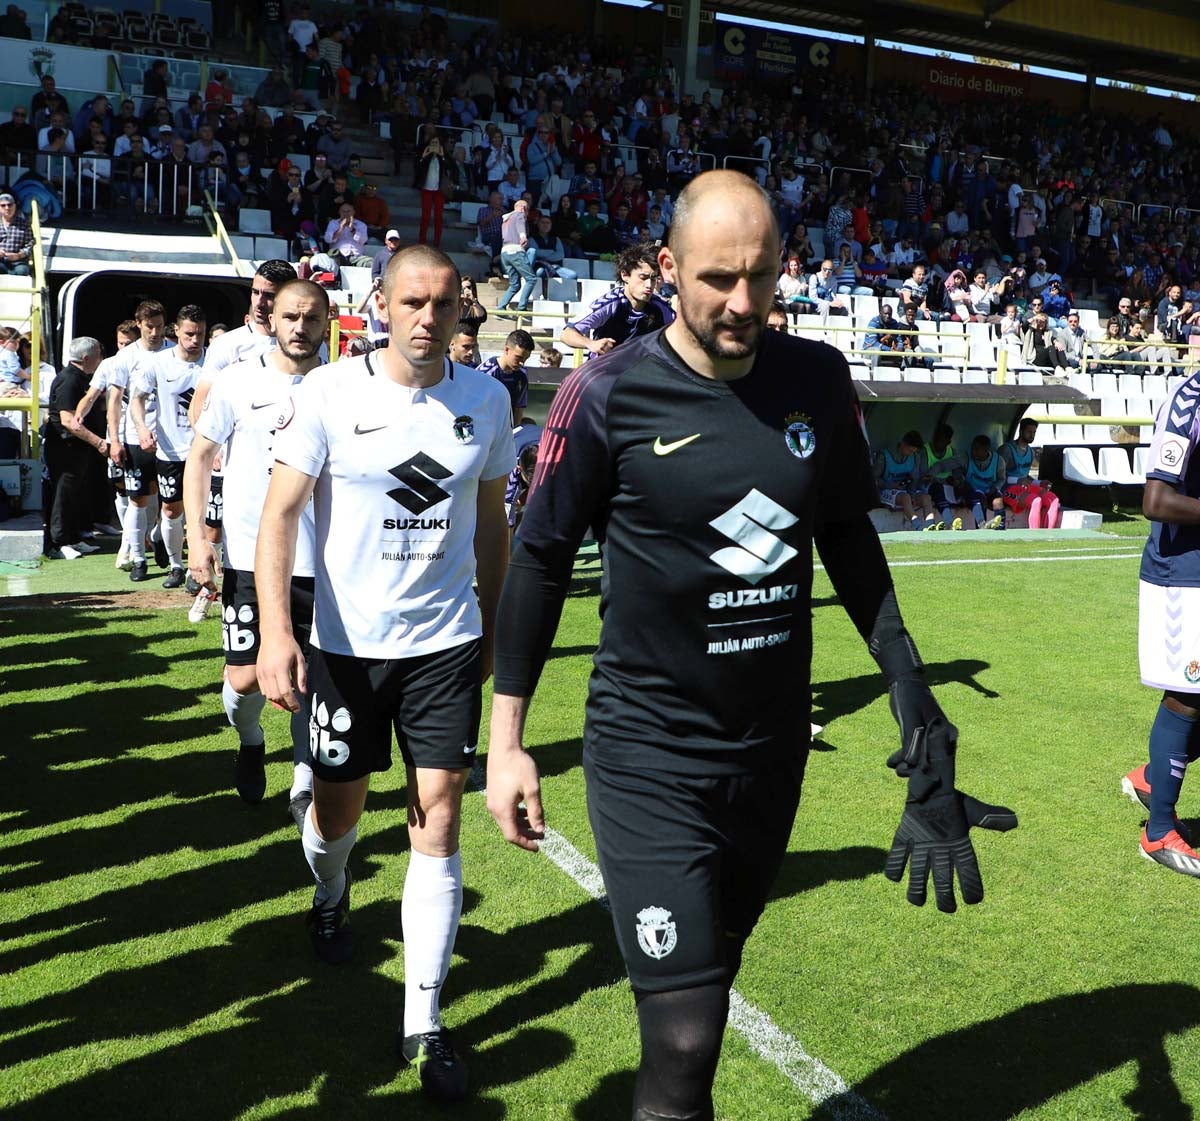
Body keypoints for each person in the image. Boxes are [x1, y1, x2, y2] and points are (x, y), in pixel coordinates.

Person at [485, 171, 1016, 1121]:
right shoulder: (604, 392)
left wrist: (913, 694)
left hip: (771, 753)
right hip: (649, 754)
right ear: (668, 269)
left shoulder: (815, 376)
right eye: (718, 278)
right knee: (684, 1037)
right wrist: (509, 735)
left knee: (713, 986)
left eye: (760, 278)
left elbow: (849, 538)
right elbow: (538, 562)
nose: (741, 303)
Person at [254, 245, 514, 1102]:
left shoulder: (487, 399)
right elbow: (280, 516)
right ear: (378, 305)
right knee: (339, 816)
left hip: (445, 644)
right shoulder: (326, 395)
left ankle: (424, 1022)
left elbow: (489, 523)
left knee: (438, 817)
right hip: (343, 649)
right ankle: (330, 893)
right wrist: (277, 635)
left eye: (443, 303)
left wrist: (497, 619)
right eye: (413, 301)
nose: (428, 317)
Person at [185, 280, 327, 813]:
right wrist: (199, 537)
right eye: (291, 315)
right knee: (245, 681)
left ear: (325, 323)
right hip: (248, 558)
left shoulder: (340, 386)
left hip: (321, 563)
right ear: (273, 317)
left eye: (311, 318)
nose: (300, 326)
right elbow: (199, 458)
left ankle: (303, 782)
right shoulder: (238, 381)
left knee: (307, 677)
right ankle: (250, 741)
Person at [1122, 365, 1200, 876]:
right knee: (1189, 693)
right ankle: (1159, 832)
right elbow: (1156, 501)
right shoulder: (1191, 399)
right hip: (1183, 575)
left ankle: (1153, 775)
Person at [189, 260, 300, 615]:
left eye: (268, 295)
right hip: (240, 470)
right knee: (222, 531)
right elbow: (201, 402)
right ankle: (206, 585)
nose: (259, 302)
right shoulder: (230, 346)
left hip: (289, 474)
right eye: (255, 292)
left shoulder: (309, 347)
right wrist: (211, 444)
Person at [130, 305, 207, 588]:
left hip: (205, 451)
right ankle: (176, 564)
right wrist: (141, 428)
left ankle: (194, 571)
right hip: (171, 450)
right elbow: (137, 399)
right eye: (189, 334)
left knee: (203, 513)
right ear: (176, 331)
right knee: (172, 511)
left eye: (200, 334)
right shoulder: (160, 363)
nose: (195, 340)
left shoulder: (213, 362)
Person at [105, 299, 172, 581]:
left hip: (171, 439)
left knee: (168, 499)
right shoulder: (126, 357)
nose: (155, 333)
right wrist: (115, 440)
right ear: (139, 324)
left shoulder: (174, 351)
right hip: (135, 436)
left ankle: (158, 536)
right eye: (149, 327)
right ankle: (138, 557)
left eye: (158, 326)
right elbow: (115, 400)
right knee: (137, 498)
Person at [46, 337, 107, 560]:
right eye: (99, 354)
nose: (101, 359)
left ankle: (73, 538)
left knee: (76, 495)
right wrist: (99, 442)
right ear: (86, 358)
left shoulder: (82, 378)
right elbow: (67, 420)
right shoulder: (69, 380)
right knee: (62, 496)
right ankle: (58, 543)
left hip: (79, 450)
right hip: (65, 450)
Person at [560, 242, 675, 358]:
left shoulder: (661, 308)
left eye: (653, 279)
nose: (649, 285)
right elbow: (567, 334)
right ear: (625, 275)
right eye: (643, 278)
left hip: (638, 373)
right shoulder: (609, 303)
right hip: (602, 371)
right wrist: (591, 343)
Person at [999, 419, 1060, 530]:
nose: (1032, 435)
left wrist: (1039, 482)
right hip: (1008, 489)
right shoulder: (1007, 450)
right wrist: (1017, 481)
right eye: (1029, 432)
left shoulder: (1030, 452)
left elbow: (1025, 476)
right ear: (1021, 431)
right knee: (1036, 501)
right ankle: (1034, 535)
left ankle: (1050, 535)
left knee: (1053, 500)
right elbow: (997, 476)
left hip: (1023, 487)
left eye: (1034, 432)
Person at [875, 430, 936, 529]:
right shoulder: (884, 456)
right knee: (905, 497)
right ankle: (918, 526)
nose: (910, 454)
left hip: (905, 490)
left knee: (926, 498)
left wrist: (912, 495)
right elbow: (874, 479)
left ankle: (931, 526)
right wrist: (891, 485)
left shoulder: (915, 457)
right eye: (909, 450)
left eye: (913, 452)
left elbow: (914, 478)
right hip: (887, 490)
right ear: (903, 443)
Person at [477, 329, 532, 424]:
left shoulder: (522, 375)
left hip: (507, 431)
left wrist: (515, 432)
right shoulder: (485, 373)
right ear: (506, 349)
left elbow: (519, 408)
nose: (522, 363)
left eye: (526, 359)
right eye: (518, 357)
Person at [497, 199, 536, 313]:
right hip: (516, 251)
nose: (527, 213)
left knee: (515, 284)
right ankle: (522, 307)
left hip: (505, 252)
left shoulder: (506, 220)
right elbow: (520, 225)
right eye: (527, 209)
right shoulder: (519, 214)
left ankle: (501, 308)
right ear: (523, 208)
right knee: (531, 279)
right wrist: (523, 236)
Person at [963, 434, 1006, 530]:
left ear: (986, 450)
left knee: (998, 501)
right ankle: (982, 529)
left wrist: (995, 488)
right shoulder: (966, 458)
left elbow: (1002, 479)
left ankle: (1001, 528)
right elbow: (946, 465)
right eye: (972, 448)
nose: (973, 452)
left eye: (977, 449)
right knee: (978, 500)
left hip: (990, 491)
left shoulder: (999, 461)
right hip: (973, 493)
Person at [0, 191, 33, 275]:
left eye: (10, 205)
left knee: (22, 271)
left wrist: (18, 255)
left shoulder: (24, 224)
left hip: (18, 262)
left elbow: (29, 245)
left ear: (14, 206)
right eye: (3, 205)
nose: (7, 208)